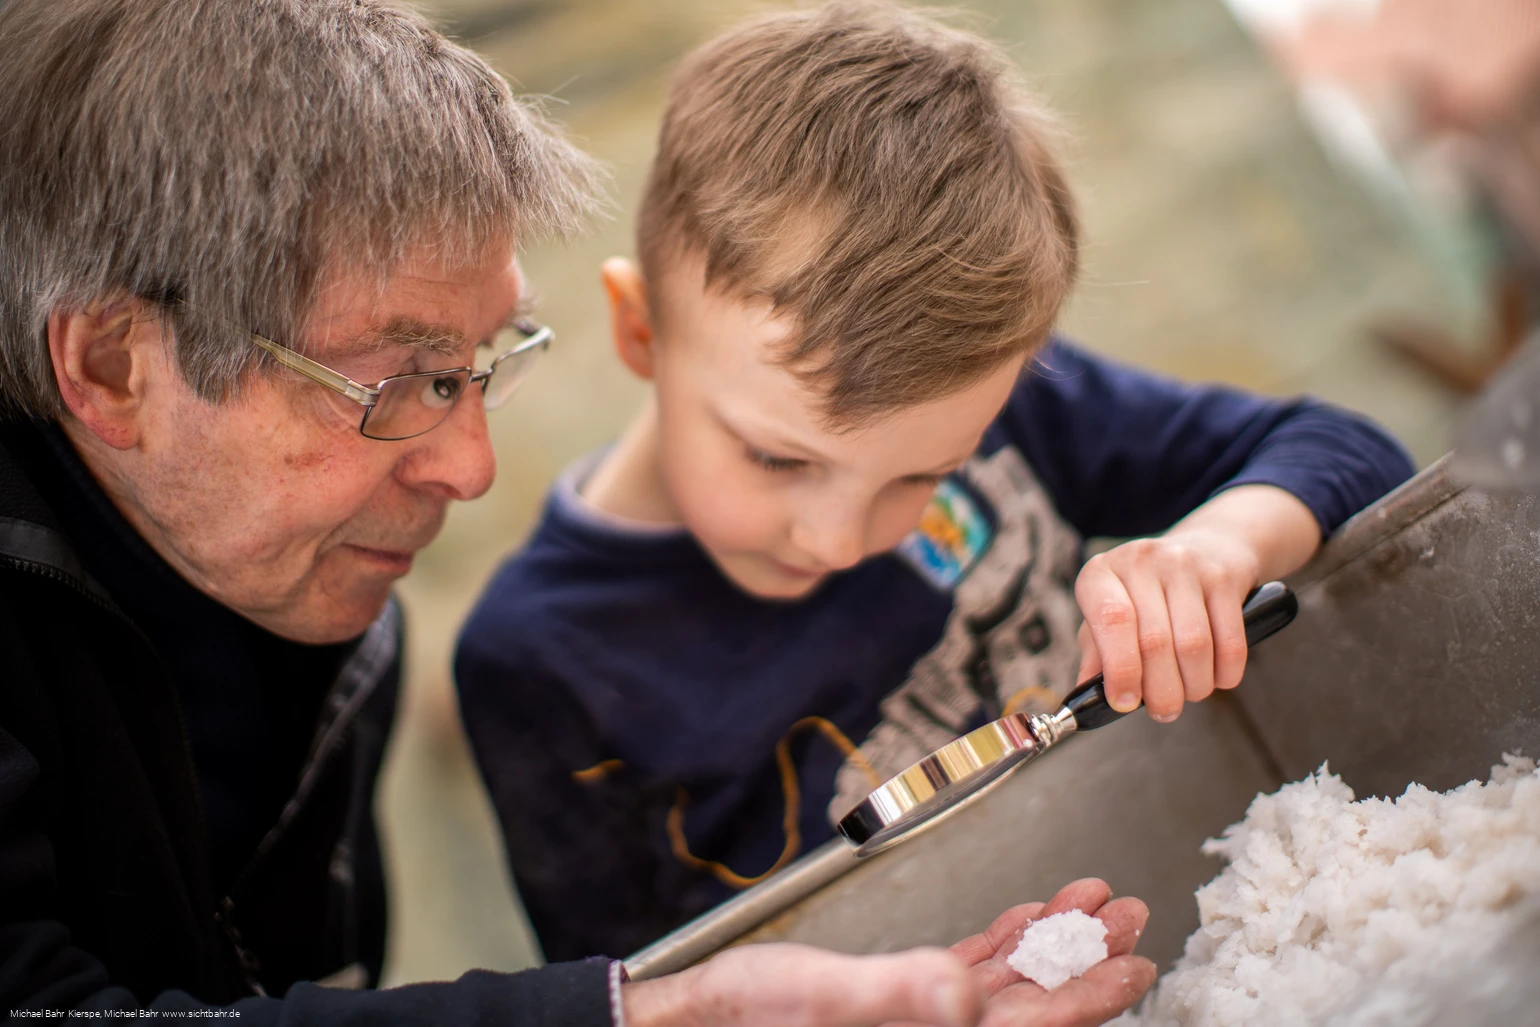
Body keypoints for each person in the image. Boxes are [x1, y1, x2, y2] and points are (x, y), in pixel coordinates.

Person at [0, 1, 1155, 1024]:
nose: (472, 465)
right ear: (112, 367)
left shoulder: (324, 606)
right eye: (406, 378)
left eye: (481, 361)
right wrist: (645, 1018)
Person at [454, 0, 1418, 964]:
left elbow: (1345, 448)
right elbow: (623, 990)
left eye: (926, 475)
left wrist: (1215, 549)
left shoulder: (1015, 408)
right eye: (778, 459)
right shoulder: (541, 662)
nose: (836, 541)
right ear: (639, 330)